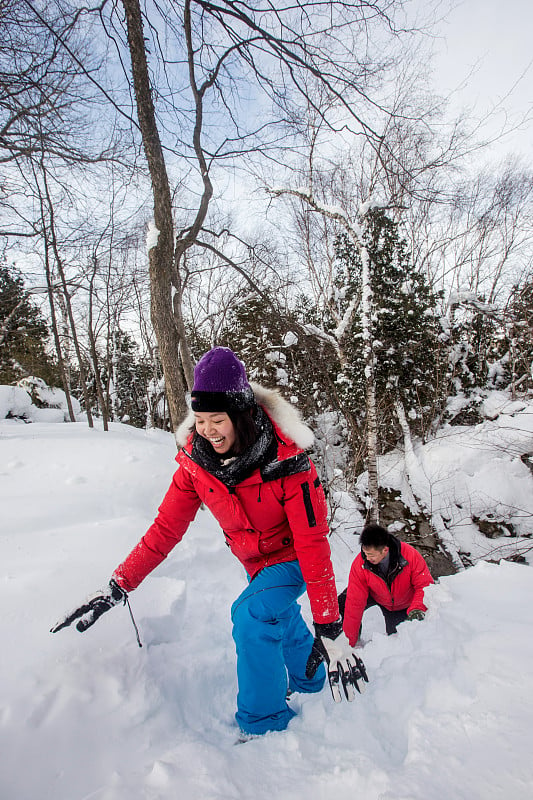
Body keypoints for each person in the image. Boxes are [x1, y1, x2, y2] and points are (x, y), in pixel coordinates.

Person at [51, 347, 364, 738]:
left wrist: (329, 625)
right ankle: (309, 677)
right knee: (273, 613)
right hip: (255, 563)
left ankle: (264, 723)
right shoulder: (197, 465)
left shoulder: (288, 462)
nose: (208, 430)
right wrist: (119, 585)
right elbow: (166, 528)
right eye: (200, 420)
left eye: (218, 419)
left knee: (250, 617)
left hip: (295, 559)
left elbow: (314, 544)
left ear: (242, 414)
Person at [340, 523, 434, 647]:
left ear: (385, 550)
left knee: (398, 641)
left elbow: (424, 586)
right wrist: (348, 643)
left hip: (403, 604)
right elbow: (354, 602)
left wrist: (417, 609)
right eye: (365, 553)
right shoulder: (361, 563)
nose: (367, 558)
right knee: (343, 603)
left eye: (371, 555)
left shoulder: (410, 556)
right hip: (376, 593)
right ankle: (352, 639)